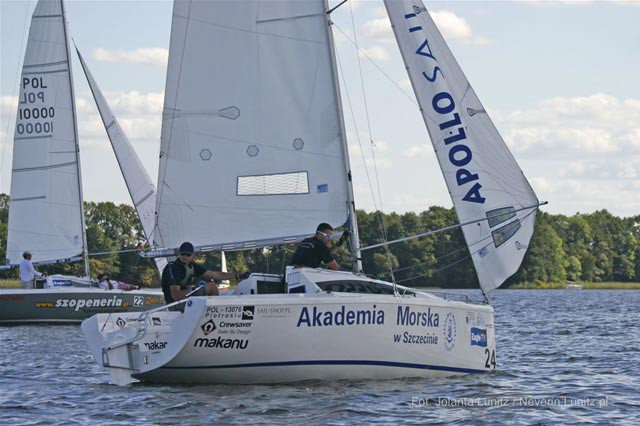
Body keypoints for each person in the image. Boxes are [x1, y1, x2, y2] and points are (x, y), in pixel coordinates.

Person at [161, 241, 249, 304]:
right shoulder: (173, 268)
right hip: (175, 305)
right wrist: (196, 289)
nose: (185, 256)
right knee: (211, 286)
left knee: (211, 285)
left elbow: (215, 275)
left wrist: (236, 276)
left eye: (188, 254)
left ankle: (213, 314)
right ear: (179, 254)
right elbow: (176, 296)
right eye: (182, 254)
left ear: (193, 255)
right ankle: (214, 315)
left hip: (188, 301)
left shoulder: (192, 266)